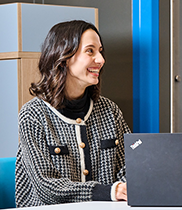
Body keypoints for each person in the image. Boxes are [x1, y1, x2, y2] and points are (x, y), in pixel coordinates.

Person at [15, 20, 130, 207]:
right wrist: (107, 192)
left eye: (100, 51)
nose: (101, 60)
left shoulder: (110, 111)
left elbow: (130, 167)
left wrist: (125, 187)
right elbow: (47, 188)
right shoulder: (33, 115)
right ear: (64, 57)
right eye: (90, 51)